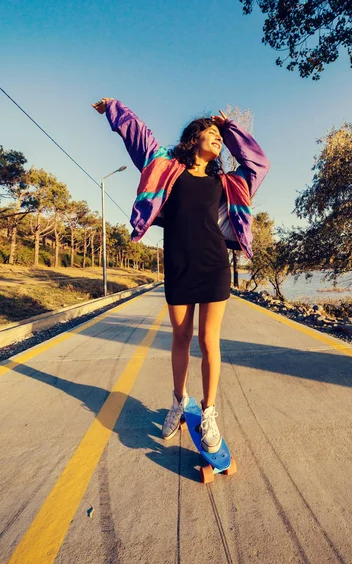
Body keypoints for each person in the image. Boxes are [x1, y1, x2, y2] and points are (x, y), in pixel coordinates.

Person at [92, 97, 270, 453]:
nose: (217, 138)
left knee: (209, 340)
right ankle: (178, 401)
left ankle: (208, 412)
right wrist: (115, 109)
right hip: (178, 263)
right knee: (180, 337)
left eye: (220, 136)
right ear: (194, 138)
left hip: (214, 264)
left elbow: (258, 162)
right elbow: (140, 137)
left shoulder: (228, 182)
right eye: (211, 133)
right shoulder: (166, 168)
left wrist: (232, 130)